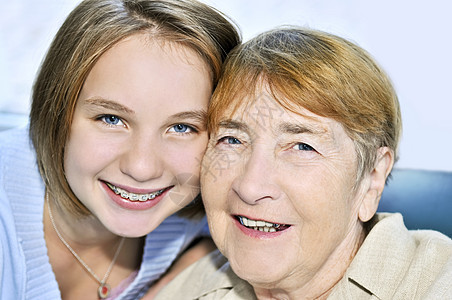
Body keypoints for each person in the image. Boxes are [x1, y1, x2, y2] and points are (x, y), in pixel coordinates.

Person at [154, 27, 452, 299]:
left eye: (302, 146)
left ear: (372, 177)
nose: (250, 186)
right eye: (232, 140)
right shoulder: (187, 290)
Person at [0, 0, 240, 299]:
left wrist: (193, 265)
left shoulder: (210, 205)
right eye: (112, 119)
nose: (141, 168)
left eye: (182, 128)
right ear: (57, 113)